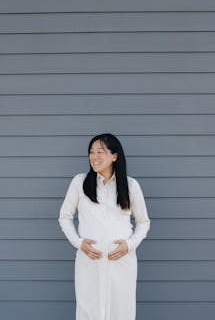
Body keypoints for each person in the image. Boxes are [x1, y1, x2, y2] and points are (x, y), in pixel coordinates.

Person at [58, 133, 151, 320]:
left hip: (121, 261)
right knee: (88, 308)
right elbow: (64, 217)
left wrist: (129, 245)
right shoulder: (80, 182)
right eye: (91, 152)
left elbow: (143, 222)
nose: (94, 157)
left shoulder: (131, 186)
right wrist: (78, 242)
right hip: (89, 259)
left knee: (121, 309)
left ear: (114, 156)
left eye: (100, 152)